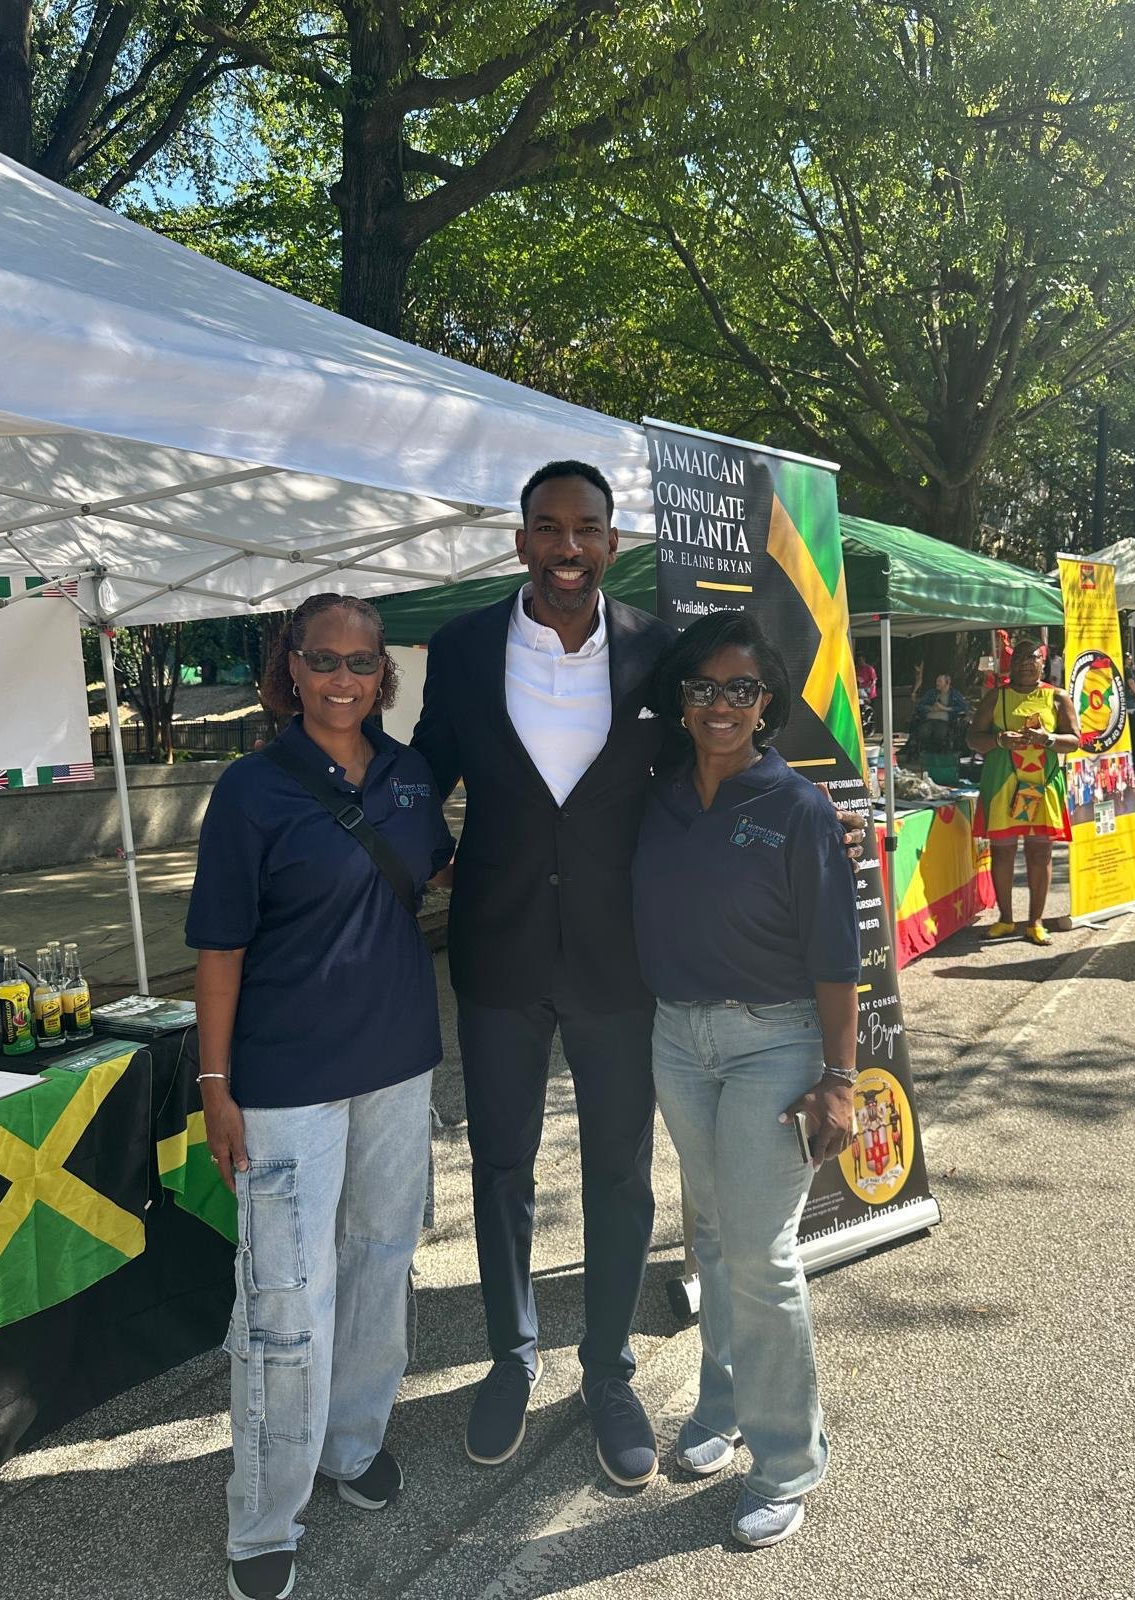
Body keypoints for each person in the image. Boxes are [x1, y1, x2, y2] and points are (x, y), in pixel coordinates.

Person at [412, 458, 868, 1491]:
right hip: (498, 954)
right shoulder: (463, 647)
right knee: (500, 1166)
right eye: (548, 527)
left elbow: (715, 756)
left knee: (620, 1175)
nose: (567, 547)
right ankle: (511, 1356)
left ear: (613, 544)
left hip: (621, 961)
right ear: (521, 541)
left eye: (587, 529)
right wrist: (385, 841)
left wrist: (813, 816)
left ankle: (608, 1371)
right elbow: (424, 770)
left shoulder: (661, 652)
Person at [186, 593, 454, 1600]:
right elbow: (220, 950)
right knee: (285, 1298)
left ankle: (351, 1442)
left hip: (398, 1064)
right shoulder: (251, 789)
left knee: (381, 1261)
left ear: (384, 675)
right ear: (290, 668)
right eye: (324, 659)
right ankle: (265, 1516)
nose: (344, 678)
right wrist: (216, 1086)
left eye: (361, 662)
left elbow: (439, 873)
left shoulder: (411, 777)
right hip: (286, 1079)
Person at [631, 611, 860, 1548]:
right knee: (716, 1235)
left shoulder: (799, 807)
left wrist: (840, 1077)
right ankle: (722, 1406)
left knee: (761, 1253)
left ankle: (787, 1461)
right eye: (703, 687)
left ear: (767, 702)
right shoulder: (658, 795)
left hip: (776, 1043)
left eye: (741, 688)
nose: (720, 704)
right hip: (677, 1039)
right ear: (681, 699)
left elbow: (837, 955)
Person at [968, 636, 1080, 946]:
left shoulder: (1057, 697)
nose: (1026, 664)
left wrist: (1047, 739)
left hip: (1042, 784)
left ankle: (1035, 923)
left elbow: (1074, 740)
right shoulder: (996, 697)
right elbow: (973, 738)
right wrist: (998, 741)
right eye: (1019, 659)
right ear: (1011, 664)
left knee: (1040, 852)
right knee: (1003, 852)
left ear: (1043, 662)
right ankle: (1005, 919)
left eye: (1032, 658)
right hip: (1002, 783)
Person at [901, 671, 970, 762]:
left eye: (940, 681)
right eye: (937, 681)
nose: (937, 683)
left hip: (944, 721)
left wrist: (945, 708)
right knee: (923, 732)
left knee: (940, 734)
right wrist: (930, 708)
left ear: (947, 682)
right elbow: (920, 705)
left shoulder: (954, 694)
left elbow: (964, 707)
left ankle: (937, 757)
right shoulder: (931, 693)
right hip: (929, 720)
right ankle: (926, 756)